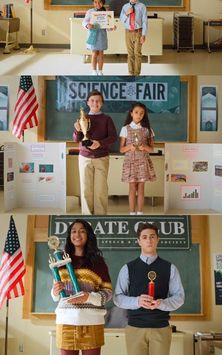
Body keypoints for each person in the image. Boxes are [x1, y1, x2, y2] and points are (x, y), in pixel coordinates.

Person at [113, 222, 185, 355]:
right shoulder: (128, 268)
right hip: (135, 328)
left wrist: (161, 303)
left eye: (152, 237)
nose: (149, 240)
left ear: (158, 240)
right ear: (138, 241)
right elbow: (117, 297)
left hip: (161, 328)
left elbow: (179, 297)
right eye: (144, 237)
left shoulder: (170, 268)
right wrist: (137, 301)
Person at [51, 219, 112, 355]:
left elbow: (107, 292)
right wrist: (55, 291)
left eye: (82, 231)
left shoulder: (98, 262)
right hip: (66, 321)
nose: (77, 234)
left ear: (88, 235)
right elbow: (55, 295)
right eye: (74, 231)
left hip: (92, 322)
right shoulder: (60, 261)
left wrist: (89, 297)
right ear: (70, 236)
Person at [73, 90, 117, 215]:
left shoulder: (107, 119)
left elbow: (113, 137)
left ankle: (101, 216)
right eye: (92, 100)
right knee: (86, 189)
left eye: (98, 101)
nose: (95, 103)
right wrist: (77, 131)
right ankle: (87, 216)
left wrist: (100, 143)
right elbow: (77, 139)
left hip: (101, 158)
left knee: (101, 189)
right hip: (84, 157)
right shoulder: (83, 119)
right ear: (87, 102)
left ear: (102, 103)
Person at [120, 102, 156, 215]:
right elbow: (121, 149)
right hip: (130, 162)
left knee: (141, 187)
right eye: (136, 112)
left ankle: (140, 212)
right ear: (131, 113)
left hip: (142, 162)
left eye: (141, 113)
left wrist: (144, 147)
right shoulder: (125, 129)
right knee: (132, 187)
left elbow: (151, 149)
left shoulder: (148, 130)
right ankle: (132, 213)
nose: (138, 115)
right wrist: (130, 147)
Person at [83, 0, 114, 75]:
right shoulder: (90, 12)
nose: (98, 4)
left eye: (100, 2)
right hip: (93, 35)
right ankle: (94, 70)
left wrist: (112, 27)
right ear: (93, 3)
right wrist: (87, 25)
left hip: (102, 36)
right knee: (94, 53)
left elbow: (108, 26)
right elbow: (84, 21)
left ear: (103, 2)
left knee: (101, 53)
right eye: (95, 2)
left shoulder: (106, 12)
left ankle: (100, 70)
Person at [120, 0, 148, 76]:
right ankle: (130, 73)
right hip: (128, 32)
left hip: (138, 32)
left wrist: (143, 35)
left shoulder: (142, 6)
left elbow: (144, 21)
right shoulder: (125, 7)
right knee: (130, 54)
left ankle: (137, 73)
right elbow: (121, 19)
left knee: (137, 53)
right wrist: (127, 13)